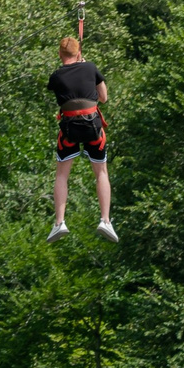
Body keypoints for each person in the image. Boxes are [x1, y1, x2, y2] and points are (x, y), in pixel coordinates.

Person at [48, 34, 116, 242]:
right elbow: (103, 98)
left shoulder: (56, 76)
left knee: (62, 175)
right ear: (78, 53)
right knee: (101, 172)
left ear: (60, 54)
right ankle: (105, 219)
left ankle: (60, 222)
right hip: (93, 127)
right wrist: (89, 69)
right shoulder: (90, 67)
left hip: (69, 129)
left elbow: (63, 93)